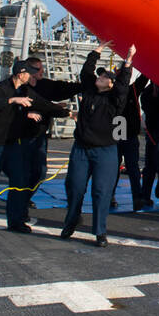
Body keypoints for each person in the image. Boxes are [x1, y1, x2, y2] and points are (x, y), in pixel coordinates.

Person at [60, 42, 134, 247]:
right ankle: (72, 220)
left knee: (101, 192)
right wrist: (98, 50)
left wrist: (128, 62)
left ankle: (100, 231)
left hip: (105, 151)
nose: (100, 78)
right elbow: (86, 71)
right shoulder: (90, 92)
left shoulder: (114, 100)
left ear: (111, 84)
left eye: (105, 77)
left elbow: (123, 86)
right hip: (82, 149)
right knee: (74, 187)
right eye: (100, 76)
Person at [0, 60, 58, 232]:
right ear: (21, 74)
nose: (32, 75)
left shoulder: (25, 90)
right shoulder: (1, 88)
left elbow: (42, 103)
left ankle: (16, 221)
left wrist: (67, 112)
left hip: (10, 144)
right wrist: (13, 100)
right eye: (29, 72)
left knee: (19, 180)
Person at [23, 55, 78, 222]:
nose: (43, 72)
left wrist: (84, 86)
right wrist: (64, 111)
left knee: (39, 171)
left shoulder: (43, 85)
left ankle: (25, 198)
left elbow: (58, 90)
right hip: (23, 137)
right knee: (23, 172)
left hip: (39, 135)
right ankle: (19, 203)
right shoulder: (22, 88)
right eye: (40, 69)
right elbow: (41, 104)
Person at [117, 72, 150, 210]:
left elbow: (144, 78)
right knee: (114, 168)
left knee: (133, 168)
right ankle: (110, 196)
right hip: (117, 133)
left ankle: (137, 197)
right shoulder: (113, 92)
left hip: (128, 133)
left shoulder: (133, 90)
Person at [138, 76, 159, 208]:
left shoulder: (155, 92)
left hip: (158, 133)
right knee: (156, 167)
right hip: (157, 134)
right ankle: (156, 196)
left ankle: (154, 194)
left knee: (155, 167)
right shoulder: (150, 93)